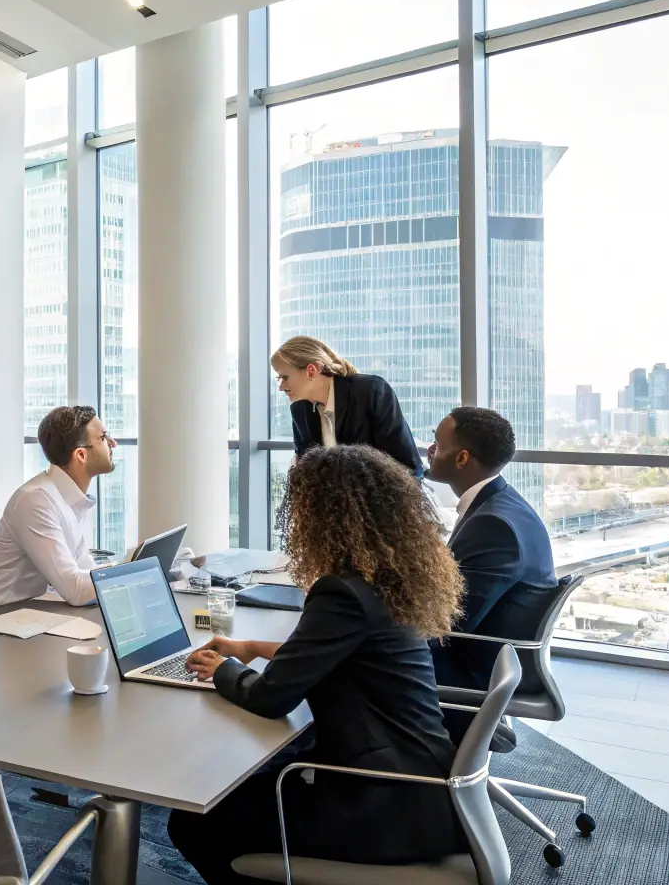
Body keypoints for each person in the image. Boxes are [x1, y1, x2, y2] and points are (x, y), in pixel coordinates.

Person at [168, 446, 468, 882]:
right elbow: (341, 655)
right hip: (420, 785)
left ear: (324, 515)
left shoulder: (341, 593)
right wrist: (250, 646)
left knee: (194, 820)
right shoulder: (385, 577)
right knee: (249, 786)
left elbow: (272, 697)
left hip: (380, 806)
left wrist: (221, 670)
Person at [425, 406, 557, 697]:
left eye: (437, 443)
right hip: (487, 655)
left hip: (474, 671)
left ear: (462, 458)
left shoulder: (493, 525)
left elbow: (449, 622)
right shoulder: (500, 502)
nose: (430, 449)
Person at [0, 406, 115, 612]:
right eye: (103, 437)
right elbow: (76, 590)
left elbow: (84, 570)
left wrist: (126, 570)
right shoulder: (35, 500)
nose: (112, 443)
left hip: (36, 616)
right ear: (81, 455)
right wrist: (130, 572)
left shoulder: (69, 498)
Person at [271, 335, 422, 477]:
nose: (281, 387)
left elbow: (409, 467)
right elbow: (305, 463)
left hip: (382, 500)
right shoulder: (300, 409)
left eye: (284, 377)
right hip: (329, 502)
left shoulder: (371, 391)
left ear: (311, 371)